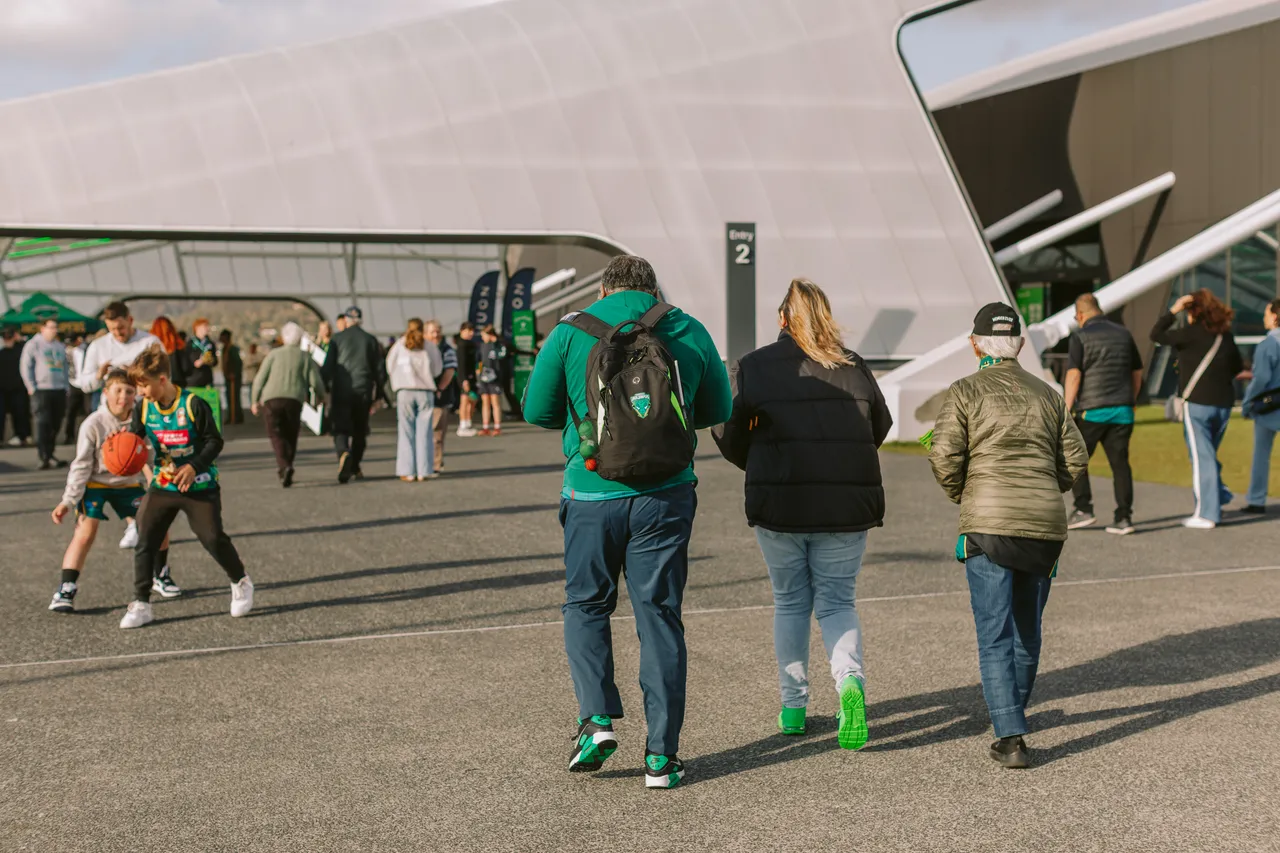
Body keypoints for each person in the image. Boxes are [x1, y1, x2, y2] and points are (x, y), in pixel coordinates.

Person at [523, 254, 732, 789]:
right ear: (652, 288)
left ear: (603, 289)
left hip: (591, 489)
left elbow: (535, 411)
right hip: (665, 494)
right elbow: (716, 407)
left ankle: (595, 721)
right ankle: (661, 757)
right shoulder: (685, 326)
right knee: (659, 615)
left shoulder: (571, 331)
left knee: (586, 603)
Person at [712, 279, 892, 748]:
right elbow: (881, 426)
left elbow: (729, 435)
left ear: (782, 320)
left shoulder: (754, 367)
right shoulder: (853, 366)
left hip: (781, 505)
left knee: (790, 602)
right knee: (837, 602)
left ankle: (794, 708)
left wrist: (758, 459)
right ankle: (849, 685)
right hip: (846, 508)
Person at [928, 303, 1088, 769]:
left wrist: (968, 495)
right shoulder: (1048, 393)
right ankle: (1012, 713)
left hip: (988, 525)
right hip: (1044, 525)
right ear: (1018, 344)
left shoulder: (964, 391)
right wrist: (1043, 488)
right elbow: (1074, 459)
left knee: (994, 632)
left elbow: (943, 457)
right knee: (1026, 629)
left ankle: (1011, 734)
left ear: (976, 344)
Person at [120, 345, 253, 629]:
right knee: (145, 539)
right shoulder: (143, 407)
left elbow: (214, 441)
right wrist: (121, 449)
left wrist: (194, 466)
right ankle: (141, 602)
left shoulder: (192, 404)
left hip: (200, 484)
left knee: (212, 538)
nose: (140, 392)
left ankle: (240, 581)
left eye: (143, 386)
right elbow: (134, 439)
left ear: (162, 380)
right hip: (163, 484)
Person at [48, 368, 181, 613]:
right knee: (85, 533)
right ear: (106, 392)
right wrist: (68, 501)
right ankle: (66, 588)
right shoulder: (93, 423)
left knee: (158, 525)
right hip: (96, 484)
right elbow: (81, 464)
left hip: (129, 485)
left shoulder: (142, 419)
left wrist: (161, 487)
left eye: (129, 391)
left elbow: (150, 459)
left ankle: (160, 574)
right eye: (118, 390)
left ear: (136, 394)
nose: (124, 396)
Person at [1150, 289, 1244, 529]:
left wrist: (1173, 310)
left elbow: (1156, 334)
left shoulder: (1189, 334)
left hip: (1198, 404)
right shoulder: (1226, 336)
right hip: (1223, 404)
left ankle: (1207, 514)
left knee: (1202, 458)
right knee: (1207, 454)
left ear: (1193, 311)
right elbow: (1236, 368)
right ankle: (1218, 495)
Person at [1062, 293, 1144, 535]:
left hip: (1092, 411)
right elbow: (1137, 372)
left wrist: (1066, 409)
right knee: (1120, 465)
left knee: (1074, 458)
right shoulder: (1124, 333)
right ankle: (1124, 518)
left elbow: (1074, 375)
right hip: (1123, 411)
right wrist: (1131, 400)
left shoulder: (1080, 336)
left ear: (1080, 315)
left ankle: (1083, 508)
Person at [251, 322, 325, 487]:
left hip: (271, 399)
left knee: (276, 434)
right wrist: (322, 395)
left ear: (284, 338)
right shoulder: (304, 357)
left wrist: (254, 400)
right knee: (291, 433)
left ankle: (284, 466)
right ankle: (288, 464)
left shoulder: (273, 354)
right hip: (294, 399)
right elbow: (315, 380)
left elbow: (259, 379)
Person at [321, 306, 388, 484]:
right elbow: (380, 371)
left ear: (346, 320)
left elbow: (327, 367)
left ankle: (343, 452)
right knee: (360, 430)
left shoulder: (337, 339)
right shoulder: (370, 340)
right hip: (363, 390)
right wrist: (379, 394)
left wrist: (323, 389)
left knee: (340, 428)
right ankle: (355, 465)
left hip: (341, 390)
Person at [387, 318, 443, 481]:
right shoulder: (429, 346)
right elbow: (437, 368)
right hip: (425, 391)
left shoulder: (399, 345)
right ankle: (424, 470)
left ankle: (407, 470)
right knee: (424, 431)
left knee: (406, 431)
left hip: (404, 391)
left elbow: (389, 365)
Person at [1242, 299, 1280, 512]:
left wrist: (1248, 403)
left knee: (1261, 455)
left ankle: (1257, 500)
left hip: (1269, 408)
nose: (1263, 318)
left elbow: (1261, 378)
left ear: (1275, 316)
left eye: (1266, 314)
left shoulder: (1268, 344)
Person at [21, 317, 70, 469]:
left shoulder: (59, 346)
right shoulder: (33, 345)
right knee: (43, 423)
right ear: (42, 328)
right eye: (51, 327)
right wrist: (31, 386)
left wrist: (66, 385)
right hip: (41, 389)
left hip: (59, 389)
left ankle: (50, 453)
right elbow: (26, 366)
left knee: (56, 422)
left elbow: (65, 367)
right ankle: (43, 456)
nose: (54, 330)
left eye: (56, 327)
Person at [425, 320, 458, 473]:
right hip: (422, 394)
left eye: (437, 331)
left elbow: (450, 371)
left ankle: (436, 463)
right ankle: (424, 462)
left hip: (439, 397)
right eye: (432, 331)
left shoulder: (447, 350)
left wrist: (440, 389)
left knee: (436, 432)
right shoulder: (422, 348)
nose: (436, 334)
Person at [0, 326, 32, 447]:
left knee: (20, 414)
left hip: (18, 389)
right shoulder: (2, 351)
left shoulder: (21, 350)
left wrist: (19, 338)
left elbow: (28, 347)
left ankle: (22, 436)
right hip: (2, 390)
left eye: (9, 336)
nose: (7, 339)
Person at [476, 324, 504, 436]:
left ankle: (497, 427)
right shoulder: (482, 346)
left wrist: (496, 341)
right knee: (485, 402)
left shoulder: (498, 345)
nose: (483, 337)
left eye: (484, 335)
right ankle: (486, 426)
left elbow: (503, 354)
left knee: (495, 402)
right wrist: (478, 371)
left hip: (495, 377)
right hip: (484, 377)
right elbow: (478, 361)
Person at [149, 316, 194, 386]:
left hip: (156, 386)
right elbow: (187, 369)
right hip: (177, 385)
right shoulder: (179, 345)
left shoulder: (150, 348)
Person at [63, 333, 89, 445]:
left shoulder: (87, 349)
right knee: (70, 411)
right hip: (73, 383)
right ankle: (69, 436)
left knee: (89, 411)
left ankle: (88, 437)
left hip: (86, 384)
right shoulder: (67, 352)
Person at [455, 322, 478, 437]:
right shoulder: (461, 345)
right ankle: (462, 425)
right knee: (464, 400)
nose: (471, 333)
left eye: (472, 331)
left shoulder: (470, 344)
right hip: (464, 377)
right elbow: (461, 364)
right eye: (468, 331)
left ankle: (468, 423)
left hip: (471, 376)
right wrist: (464, 379)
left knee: (472, 400)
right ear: (462, 331)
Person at [186, 318, 218, 387]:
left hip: (207, 380)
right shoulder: (190, 343)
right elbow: (188, 362)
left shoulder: (210, 343)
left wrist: (210, 360)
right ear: (197, 328)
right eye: (205, 326)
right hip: (194, 380)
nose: (207, 328)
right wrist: (200, 361)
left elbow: (215, 362)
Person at [220, 329, 244, 425]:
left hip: (234, 378)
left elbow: (238, 363)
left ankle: (237, 416)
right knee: (228, 397)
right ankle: (231, 415)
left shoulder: (232, 349)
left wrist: (234, 373)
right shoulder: (224, 349)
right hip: (227, 377)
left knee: (235, 397)